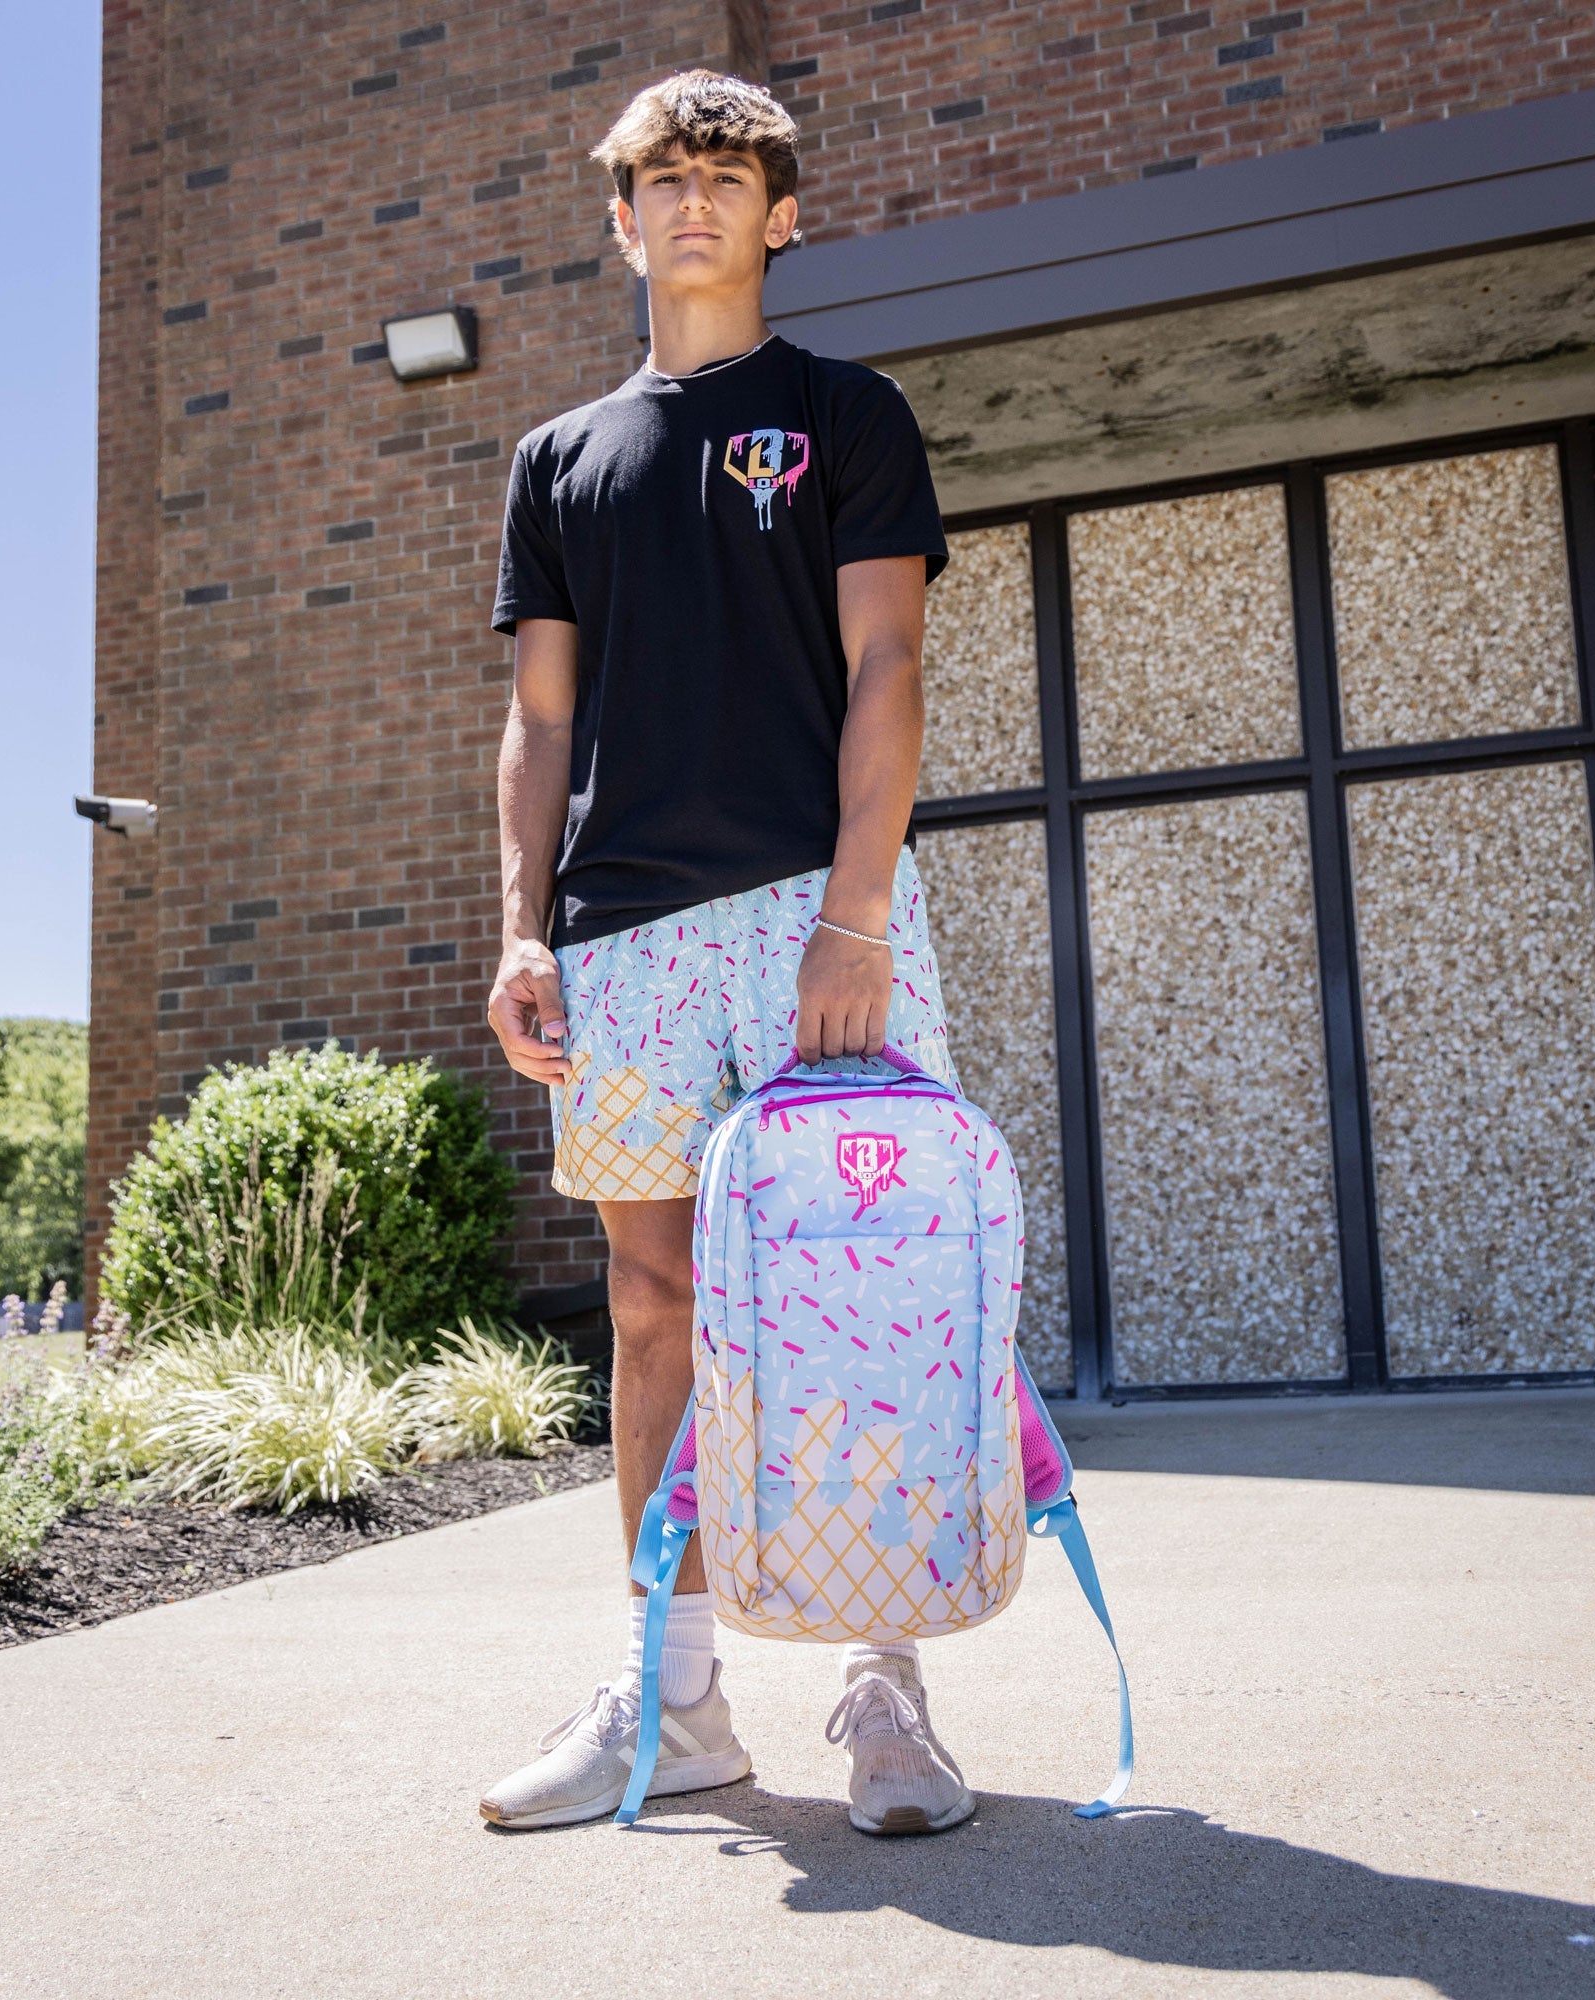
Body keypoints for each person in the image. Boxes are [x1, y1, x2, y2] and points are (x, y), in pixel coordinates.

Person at [481, 69, 971, 1835]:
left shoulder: (847, 414)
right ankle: (672, 1700)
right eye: (662, 177)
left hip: (805, 919)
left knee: (862, 1303)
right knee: (653, 1301)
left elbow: (889, 671)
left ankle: (886, 1694)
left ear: (783, 214)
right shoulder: (558, 459)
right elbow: (539, 719)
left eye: (729, 175)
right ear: (619, 218)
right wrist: (521, 927)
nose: (693, 200)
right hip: (620, 944)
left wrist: (855, 913)